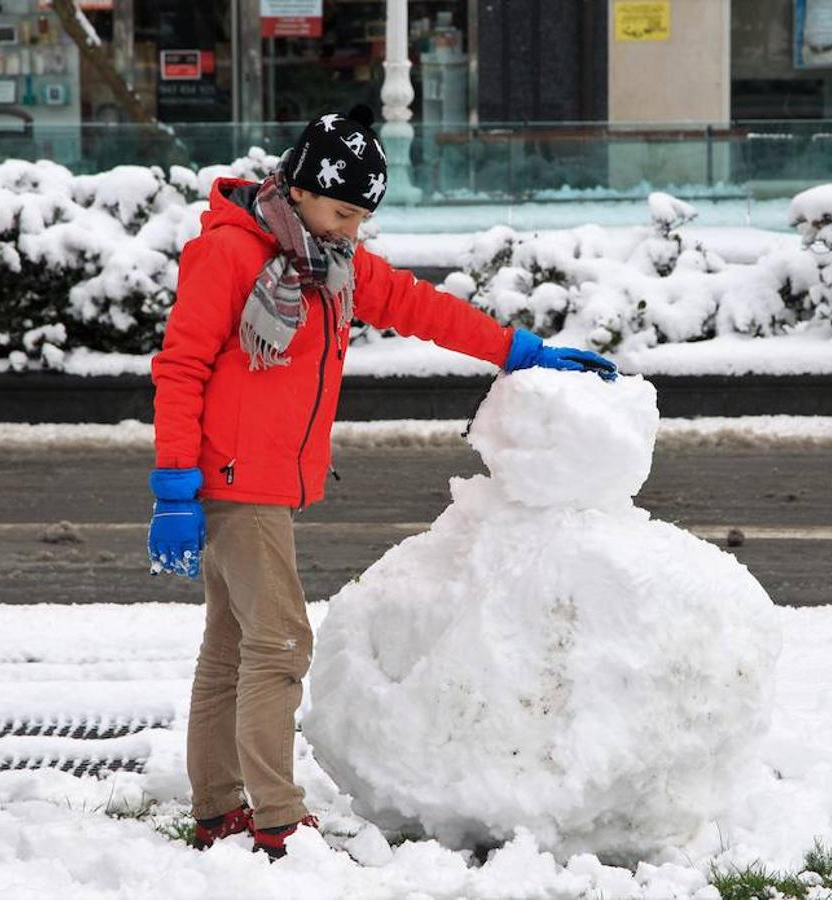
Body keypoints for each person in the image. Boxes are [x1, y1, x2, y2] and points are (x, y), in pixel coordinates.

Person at [148, 104, 617, 860]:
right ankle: (275, 819)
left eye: (363, 218)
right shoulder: (231, 255)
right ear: (298, 189)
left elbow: (418, 307)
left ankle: (217, 809)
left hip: (262, 476)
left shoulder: (328, 264)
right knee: (280, 644)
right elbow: (180, 369)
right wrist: (173, 489)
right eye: (341, 211)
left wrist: (520, 351)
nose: (351, 231)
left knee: (232, 642)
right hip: (235, 479)